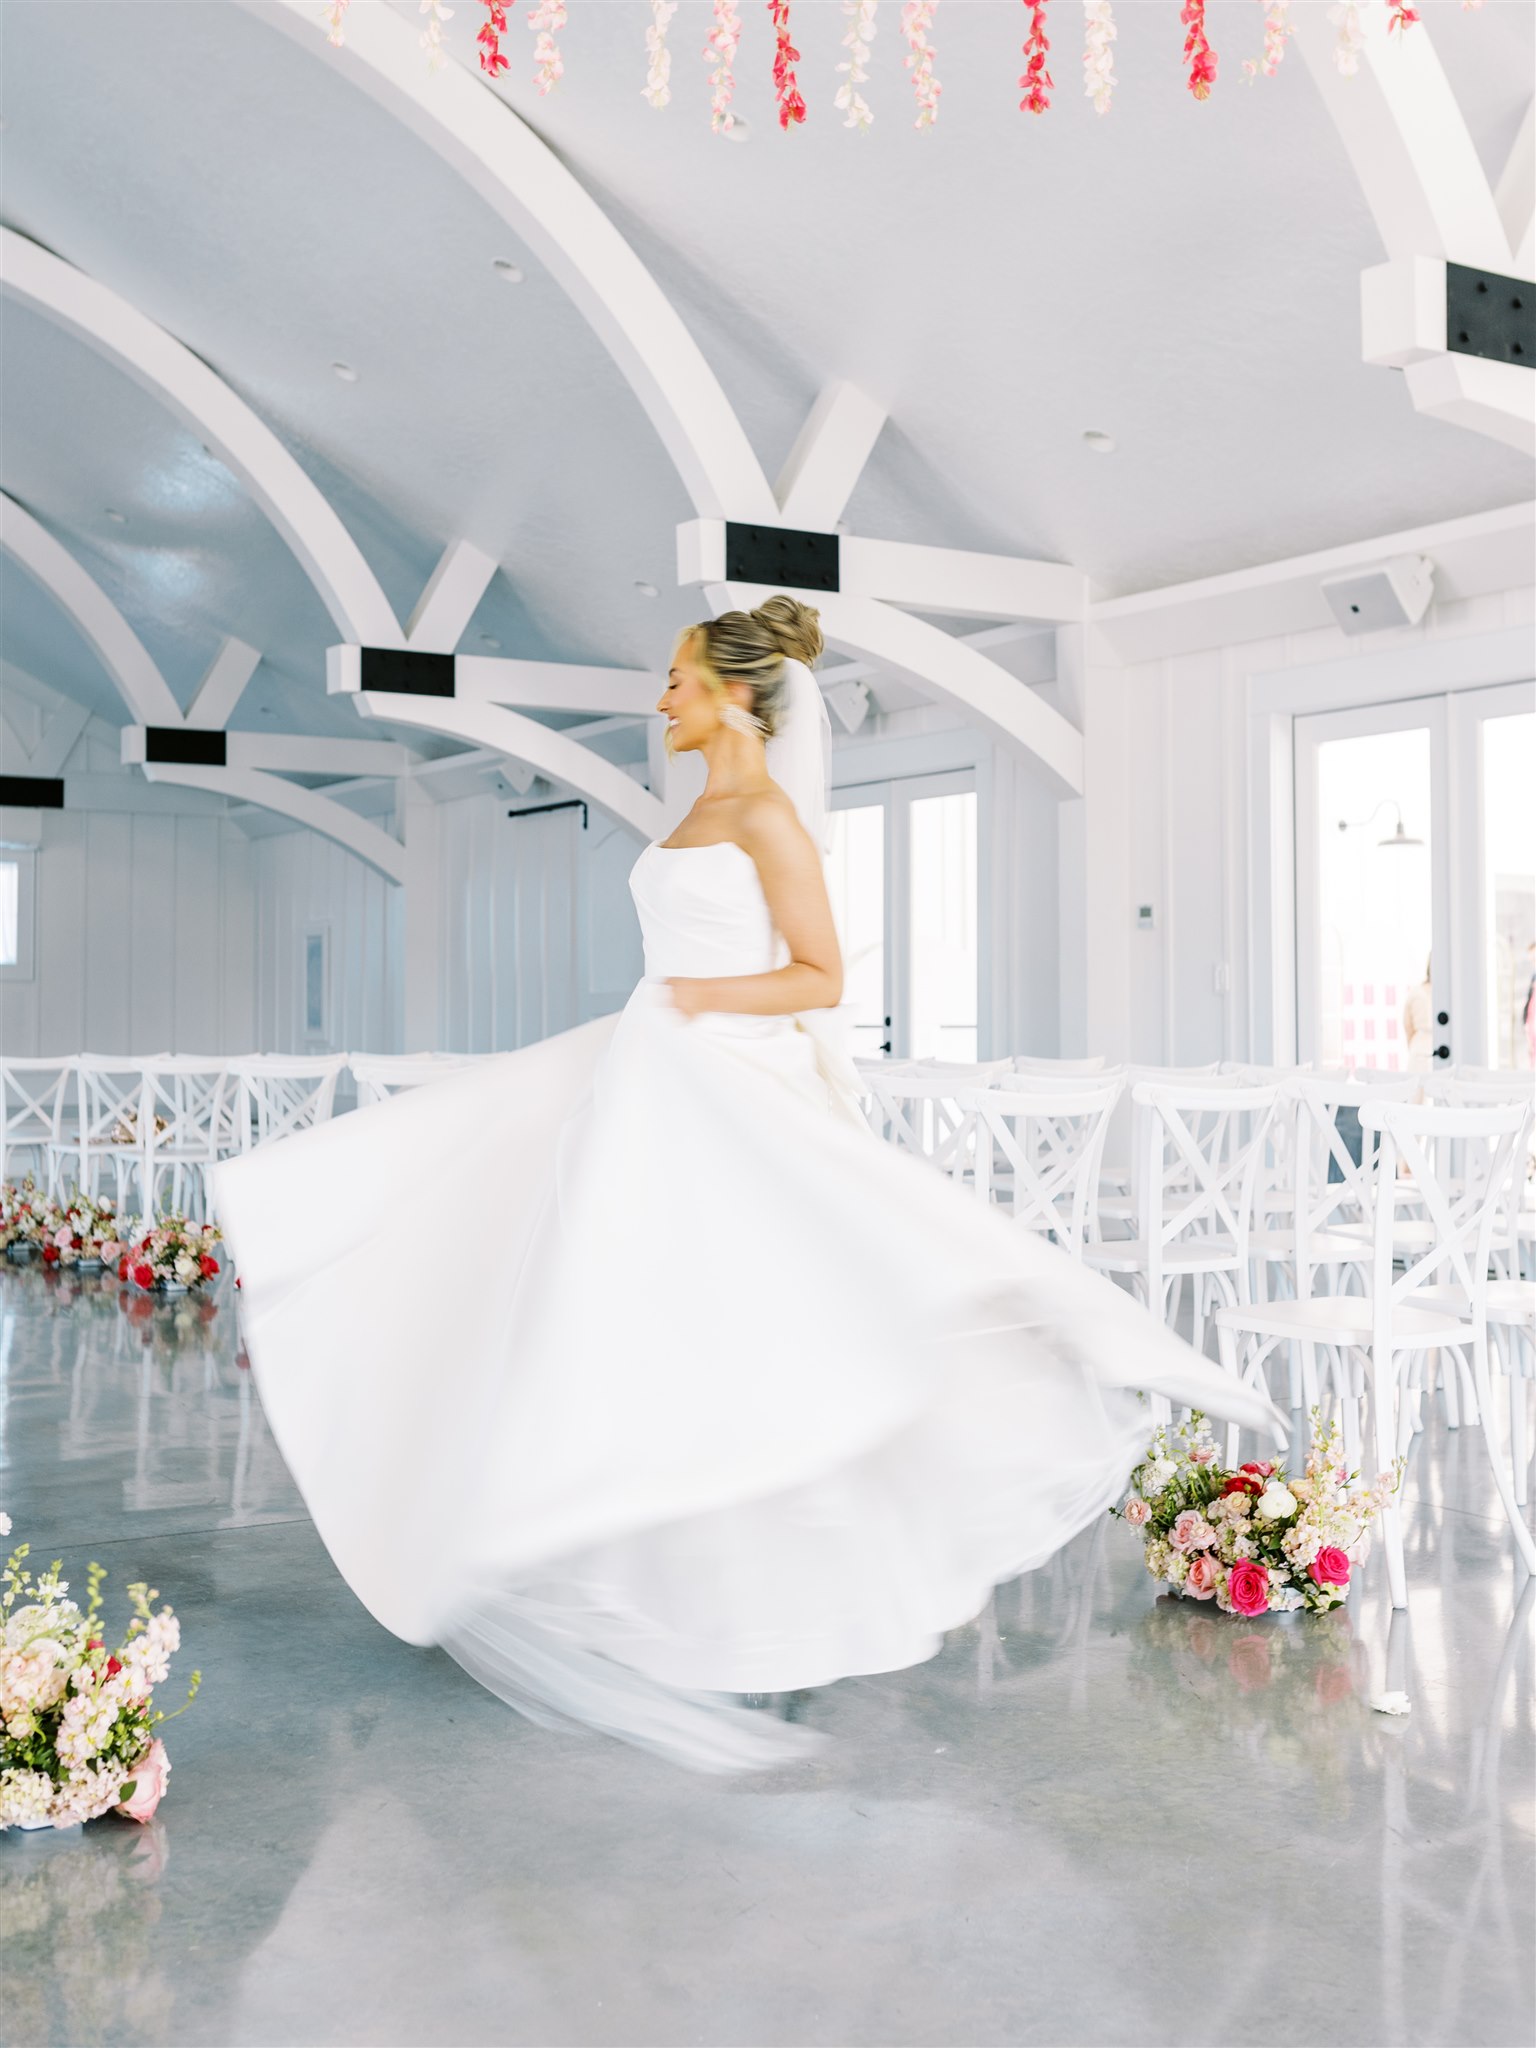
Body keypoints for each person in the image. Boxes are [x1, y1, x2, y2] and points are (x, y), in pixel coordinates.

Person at [212, 595, 1281, 1771]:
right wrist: (669, 1008)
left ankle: (746, 1591)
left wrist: (700, 1000)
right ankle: (615, 1554)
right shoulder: (696, 805)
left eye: (675, 679)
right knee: (578, 1275)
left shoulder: (769, 813)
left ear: (732, 695)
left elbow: (818, 976)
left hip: (713, 1071)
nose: (659, 698)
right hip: (649, 1063)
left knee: (747, 1312)